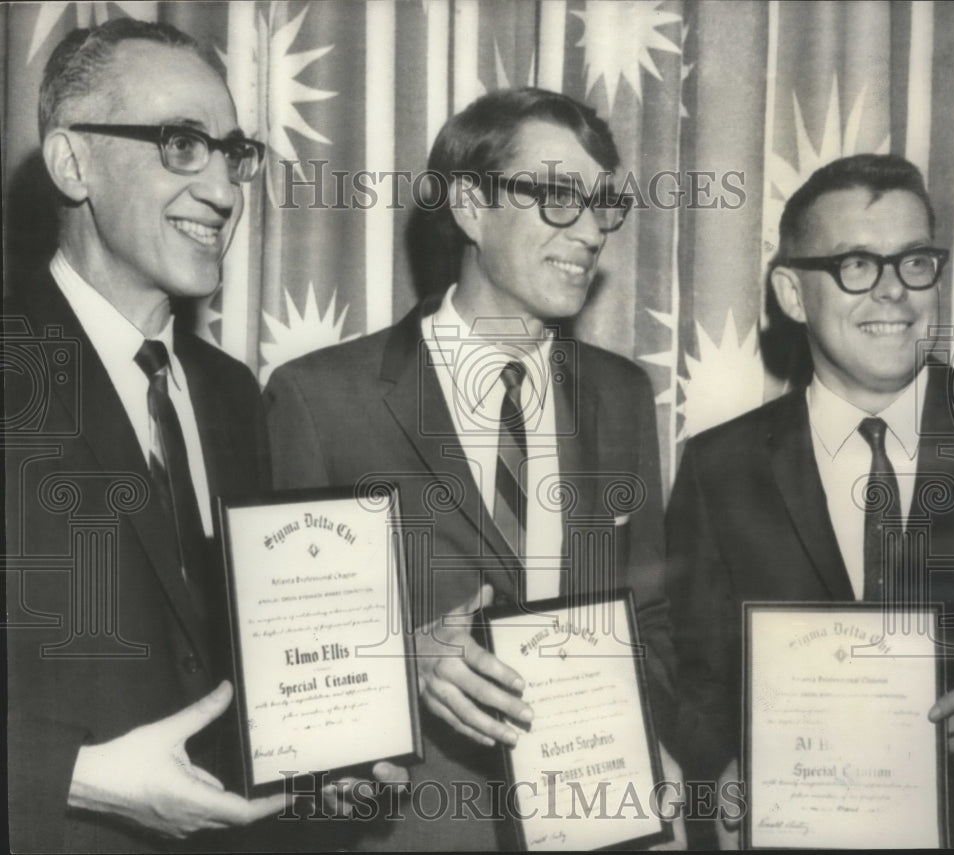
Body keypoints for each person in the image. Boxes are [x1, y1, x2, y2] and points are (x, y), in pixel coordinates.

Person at [265, 87, 681, 850]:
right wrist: (404, 657)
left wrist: (642, 740)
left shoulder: (621, 396)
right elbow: (286, 670)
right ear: (469, 205)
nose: (590, 231)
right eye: (558, 196)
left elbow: (650, 620)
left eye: (603, 203)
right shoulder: (319, 399)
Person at [3, 19, 355, 852]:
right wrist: (80, 777)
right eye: (180, 144)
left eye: (232, 152)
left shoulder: (233, 394)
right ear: (72, 162)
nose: (226, 190)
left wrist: (328, 746)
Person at [665, 153, 954, 848]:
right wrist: (717, 769)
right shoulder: (718, 467)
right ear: (792, 293)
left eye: (914, 262)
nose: (894, 293)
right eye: (856, 265)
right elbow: (686, 665)